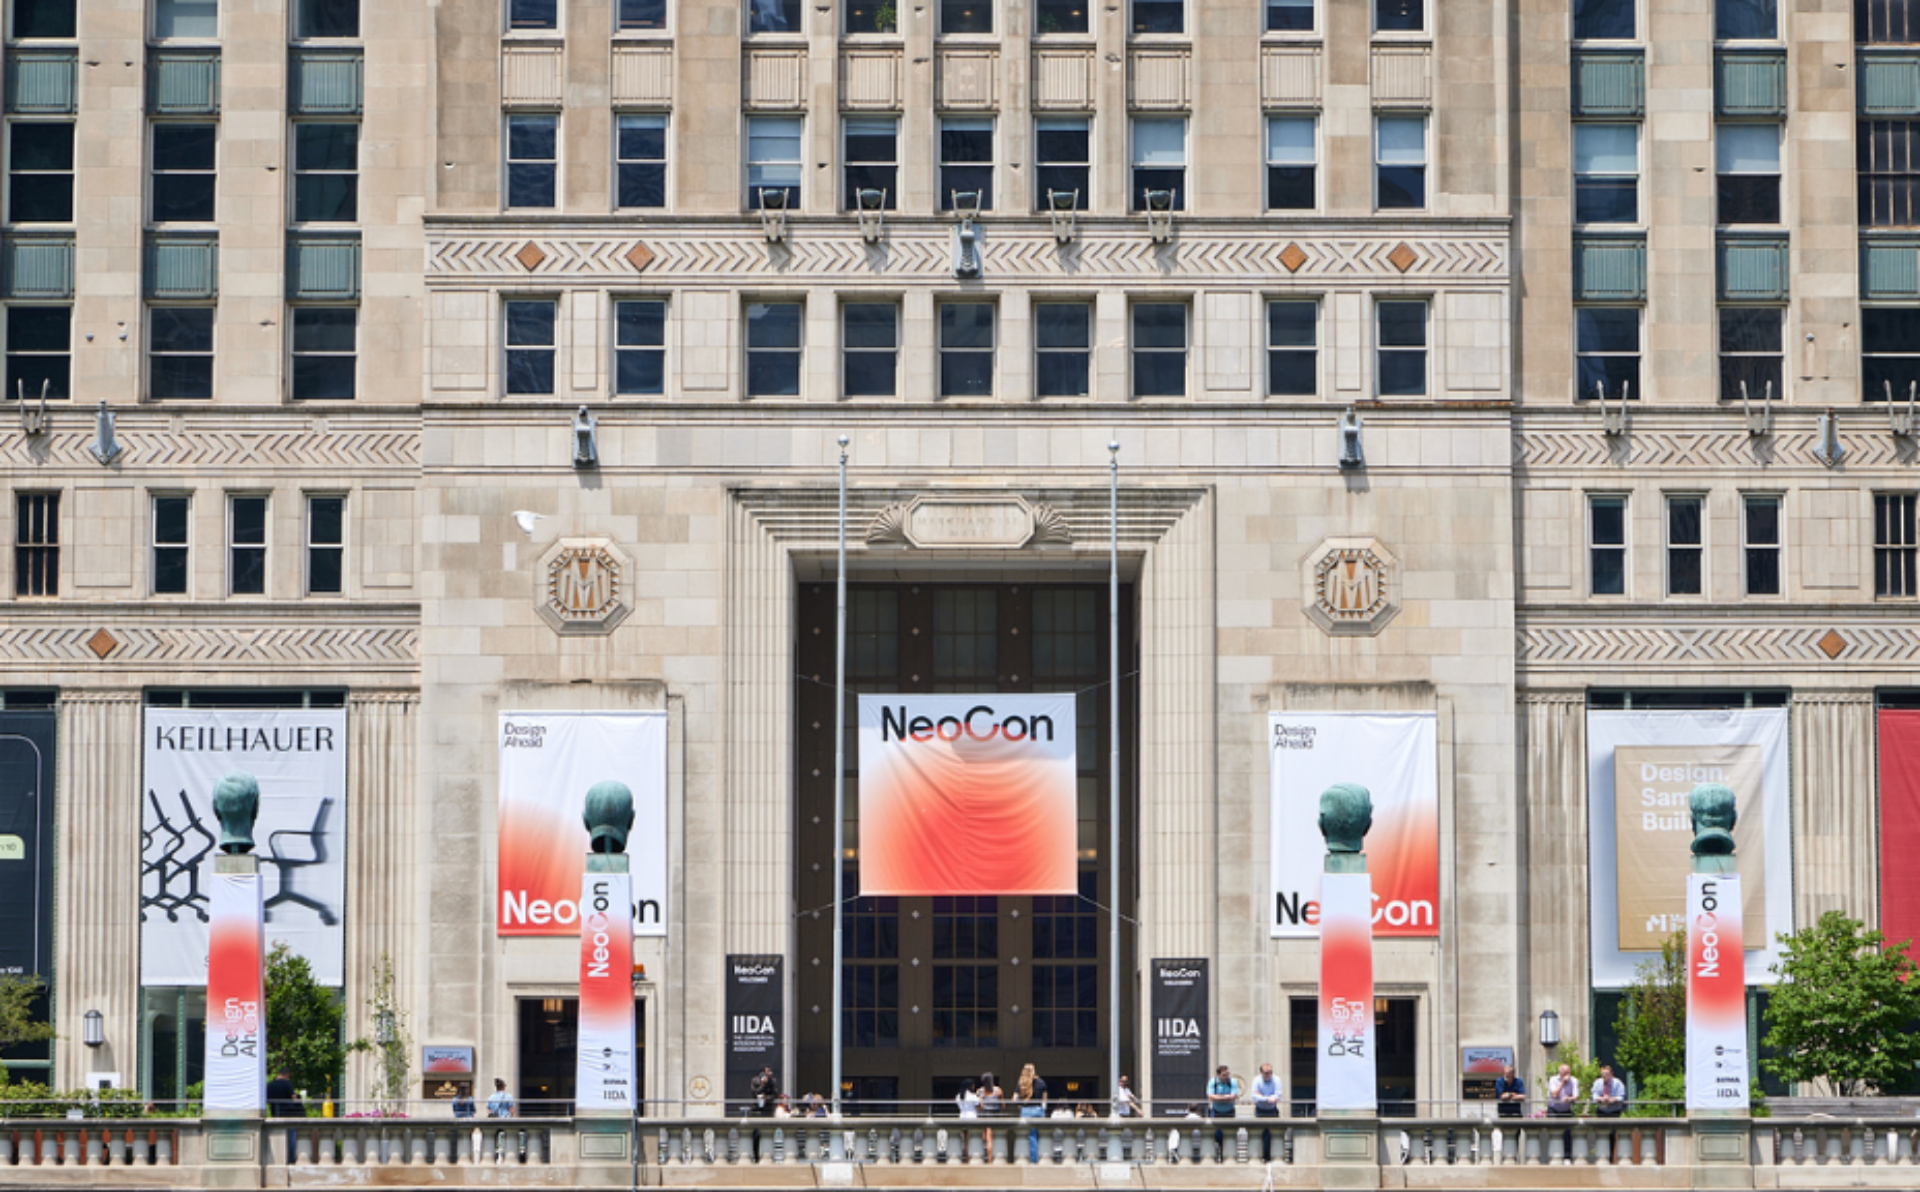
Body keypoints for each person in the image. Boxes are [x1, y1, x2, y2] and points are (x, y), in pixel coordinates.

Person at [1015, 1063, 1048, 1163]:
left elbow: (1014, 1099)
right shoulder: (1041, 1083)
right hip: (1038, 1110)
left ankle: (1033, 1160)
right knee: (1041, 1136)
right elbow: (1045, 1100)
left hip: (1026, 1111)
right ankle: (1041, 1158)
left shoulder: (1021, 1084)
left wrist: (1021, 1105)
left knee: (1029, 1137)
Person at [1207, 1064, 1241, 1155]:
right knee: (1217, 1134)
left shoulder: (1232, 1081)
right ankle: (1218, 1153)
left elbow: (1234, 1096)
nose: (1226, 1077)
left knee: (1230, 1134)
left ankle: (1229, 1154)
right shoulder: (1213, 1082)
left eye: (1227, 1074)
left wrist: (1218, 1097)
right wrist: (1226, 1097)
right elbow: (1210, 1096)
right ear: (1218, 1075)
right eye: (1224, 1075)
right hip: (1216, 1112)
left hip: (1229, 1111)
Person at [1250, 1061, 1282, 1161]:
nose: (1269, 1075)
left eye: (1270, 1072)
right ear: (1262, 1073)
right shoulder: (1256, 1080)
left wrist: (1262, 1096)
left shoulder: (1276, 1080)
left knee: (1273, 1133)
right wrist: (1267, 1098)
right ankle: (1262, 1155)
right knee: (1260, 1133)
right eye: (1266, 1072)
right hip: (1260, 1110)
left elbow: (1278, 1095)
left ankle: (1271, 1156)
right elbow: (1254, 1097)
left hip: (1272, 1110)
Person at [978, 1071, 1002, 1162]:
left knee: (984, 1138)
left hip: (983, 1115)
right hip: (994, 1114)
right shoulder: (998, 1091)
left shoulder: (980, 1091)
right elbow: (1002, 1105)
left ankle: (985, 1157)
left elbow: (980, 1105)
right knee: (990, 1139)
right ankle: (989, 1160)